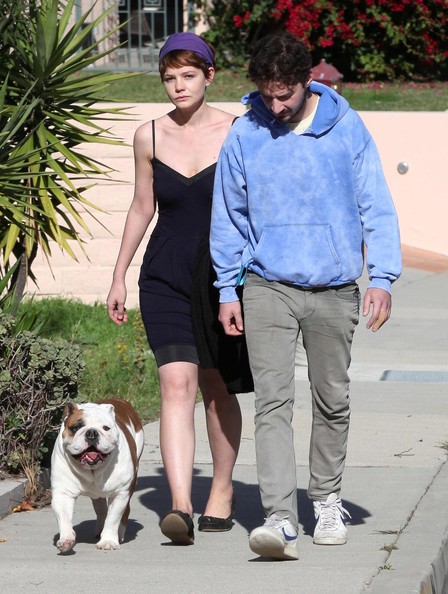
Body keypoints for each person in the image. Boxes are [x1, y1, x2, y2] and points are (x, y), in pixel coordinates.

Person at [210, 32, 402, 560]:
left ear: (306, 82)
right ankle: (280, 515)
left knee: (331, 399)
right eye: (267, 95)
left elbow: (376, 203)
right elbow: (229, 215)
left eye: (285, 95)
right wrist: (228, 288)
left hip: (335, 286)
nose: (276, 105)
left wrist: (382, 277)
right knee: (273, 402)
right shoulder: (245, 133)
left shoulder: (346, 127)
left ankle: (327, 501)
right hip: (267, 284)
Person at [106, 32, 245, 546]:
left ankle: (222, 491)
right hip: (163, 274)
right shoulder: (149, 136)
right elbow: (143, 205)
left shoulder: (238, 131)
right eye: (169, 77)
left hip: (223, 278)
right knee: (175, 386)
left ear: (210, 76)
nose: (179, 86)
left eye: (189, 75)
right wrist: (119, 273)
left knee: (217, 388)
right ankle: (181, 507)